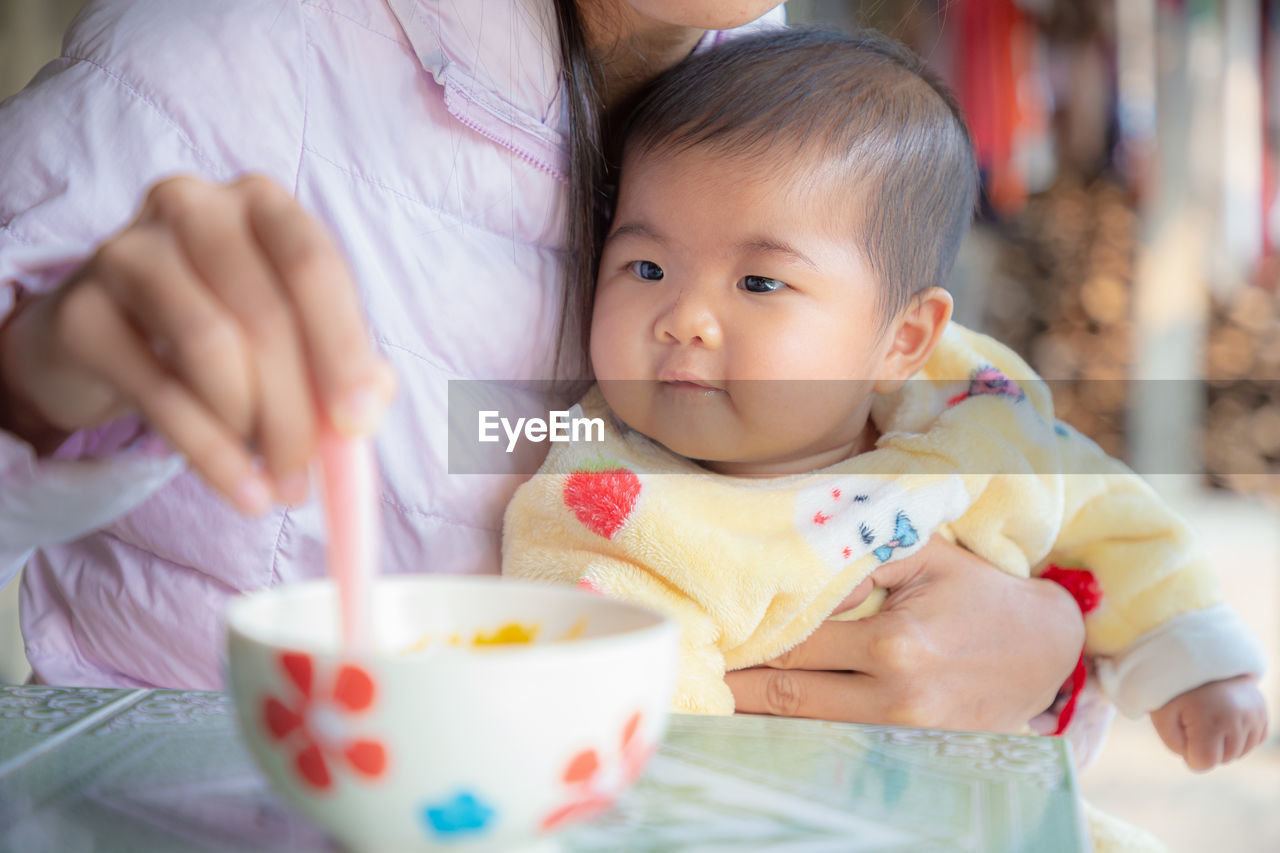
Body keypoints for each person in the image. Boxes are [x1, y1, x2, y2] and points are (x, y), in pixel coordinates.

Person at [0, 0, 1081, 726]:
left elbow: (967, 451)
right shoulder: (215, 52)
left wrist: (1044, 648)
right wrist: (33, 388)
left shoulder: (787, 97)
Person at [501, 27, 1268, 771]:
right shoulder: (612, 505)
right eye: (644, 267)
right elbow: (634, 710)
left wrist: (1192, 658)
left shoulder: (972, 421)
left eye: (760, 282)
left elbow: (1116, 525)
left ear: (903, 340)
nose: (684, 320)